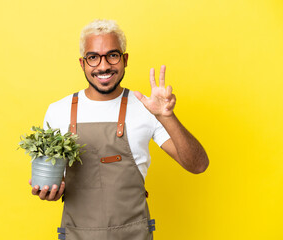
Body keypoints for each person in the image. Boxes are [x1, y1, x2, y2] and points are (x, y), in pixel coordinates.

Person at [29, 19, 209, 240]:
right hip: (77, 235)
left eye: (112, 55)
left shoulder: (147, 108)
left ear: (124, 59)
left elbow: (198, 165)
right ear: (82, 63)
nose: (103, 66)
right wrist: (52, 190)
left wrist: (167, 117)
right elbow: (52, 179)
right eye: (93, 57)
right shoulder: (58, 111)